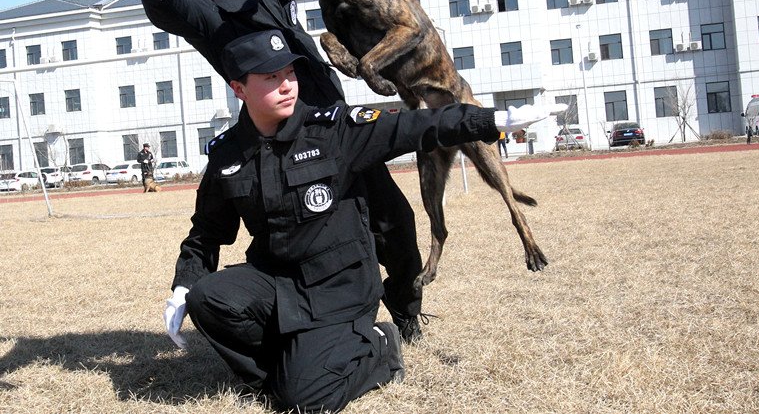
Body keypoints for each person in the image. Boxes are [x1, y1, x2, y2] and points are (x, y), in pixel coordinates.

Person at [162, 30, 544, 412]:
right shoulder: (228, 154)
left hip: (338, 285)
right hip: (276, 278)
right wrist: (185, 284)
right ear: (239, 89)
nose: (286, 86)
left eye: (290, 74)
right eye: (270, 78)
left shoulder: (333, 130)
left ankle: (380, 346)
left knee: (304, 400)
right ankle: (279, 374)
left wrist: (490, 119)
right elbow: (208, 230)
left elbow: (413, 127)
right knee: (208, 299)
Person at [128, 0, 424, 341]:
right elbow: (171, 8)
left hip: (332, 115)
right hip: (291, 131)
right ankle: (314, 319)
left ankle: (405, 312)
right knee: (324, 234)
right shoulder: (197, 1)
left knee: (394, 219)